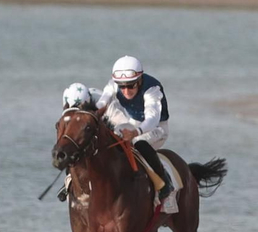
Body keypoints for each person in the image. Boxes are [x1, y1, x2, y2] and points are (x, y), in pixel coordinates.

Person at [57, 56, 174, 203]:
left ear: (140, 80)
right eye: (122, 86)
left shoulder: (152, 90)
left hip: (156, 128)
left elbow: (152, 118)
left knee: (138, 142)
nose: (125, 91)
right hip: (132, 122)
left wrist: (135, 132)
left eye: (130, 86)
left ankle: (164, 181)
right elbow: (102, 102)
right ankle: (73, 181)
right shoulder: (113, 85)